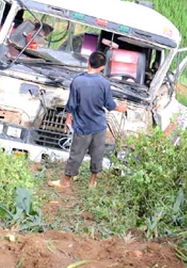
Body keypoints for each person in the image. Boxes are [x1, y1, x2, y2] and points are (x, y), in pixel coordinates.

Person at [48, 51, 127, 189]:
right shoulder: (104, 83)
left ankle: (65, 181)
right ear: (102, 67)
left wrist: (68, 119)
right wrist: (121, 108)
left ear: (88, 62)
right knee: (97, 154)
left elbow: (71, 104)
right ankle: (92, 182)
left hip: (82, 126)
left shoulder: (77, 81)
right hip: (99, 126)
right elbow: (110, 105)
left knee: (76, 154)